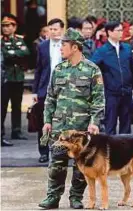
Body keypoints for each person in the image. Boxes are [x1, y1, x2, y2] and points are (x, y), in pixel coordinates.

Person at [38, 28, 105, 209]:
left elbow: (98, 100)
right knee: (56, 165)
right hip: (60, 129)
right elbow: (50, 98)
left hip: (82, 131)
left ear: (75, 47)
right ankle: (53, 197)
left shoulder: (92, 70)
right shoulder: (59, 69)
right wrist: (47, 121)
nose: (60, 48)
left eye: (64, 45)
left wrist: (94, 123)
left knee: (80, 167)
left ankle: (76, 197)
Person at [91, 21, 133, 135]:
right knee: (110, 125)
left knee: (126, 126)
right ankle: (110, 152)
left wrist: (132, 87)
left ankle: (125, 151)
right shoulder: (102, 51)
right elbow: (92, 68)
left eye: (122, 30)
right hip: (110, 94)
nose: (122, 33)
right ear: (109, 32)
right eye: (118, 30)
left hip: (126, 93)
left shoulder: (126, 48)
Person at [33, 18, 64, 163]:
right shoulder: (42, 46)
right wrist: (35, 91)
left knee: (63, 121)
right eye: (51, 29)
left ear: (62, 30)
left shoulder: (69, 45)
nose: (53, 32)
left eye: (56, 29)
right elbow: (38, 69)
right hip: (45, 89)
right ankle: (44, 151)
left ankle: (62, 150)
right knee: (44, 122)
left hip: (64, 90)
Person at [1, 13, 30, 143]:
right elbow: (5, 55)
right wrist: (15, 54)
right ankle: (1, 131)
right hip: (5, 78)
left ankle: (16, 130)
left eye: (8, 26)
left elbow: (26, 52)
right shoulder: (1, 41)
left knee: (17, 105)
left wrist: (13, 54)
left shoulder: (19, 39)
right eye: (3, 26)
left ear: (14, 27)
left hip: (18, 77)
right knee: (2, 105)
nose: (5, 28)